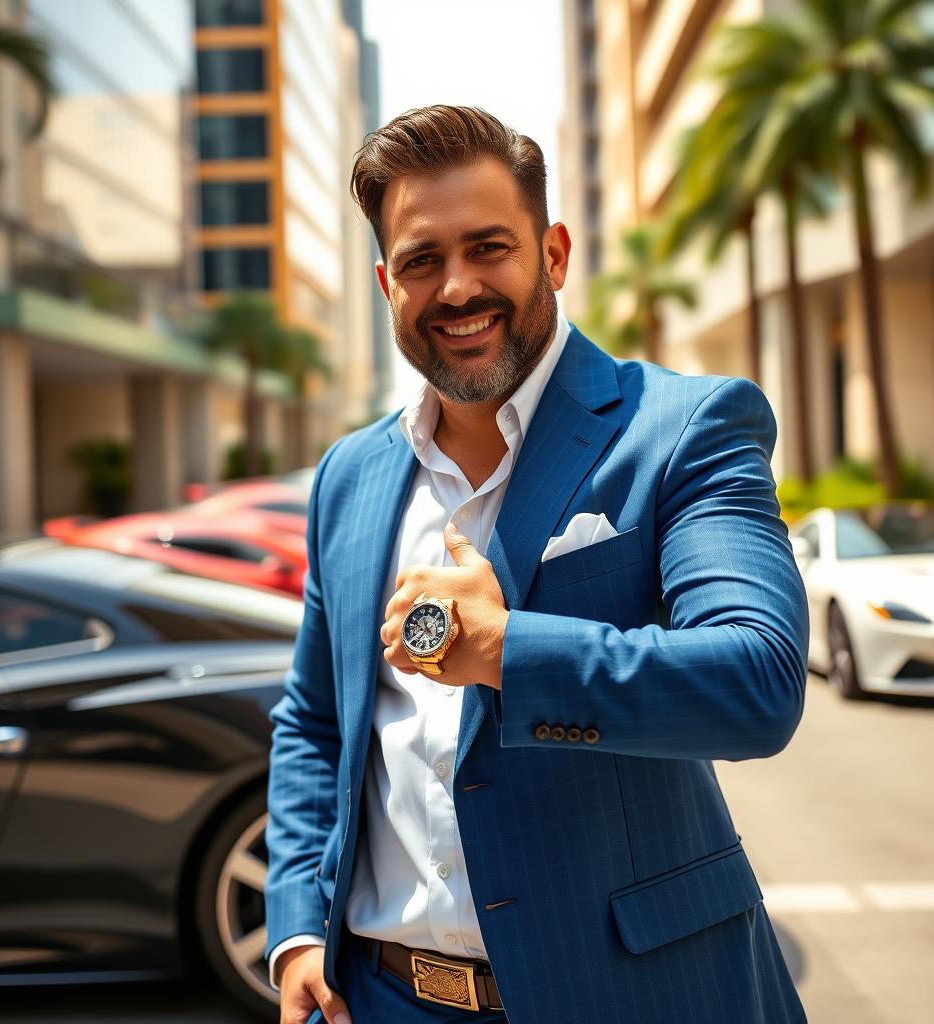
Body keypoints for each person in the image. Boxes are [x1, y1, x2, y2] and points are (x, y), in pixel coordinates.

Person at [264, 104, 809, 1024]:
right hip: (383, 998)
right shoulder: (348, 478)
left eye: (490, 248)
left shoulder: (684, 427)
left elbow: (757, 679)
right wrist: (297, 927)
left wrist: (509, 650)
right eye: (422, 261)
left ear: (552, 254)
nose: (457, 287)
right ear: (385, 283)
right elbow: (315, 722)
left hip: (636, 995)